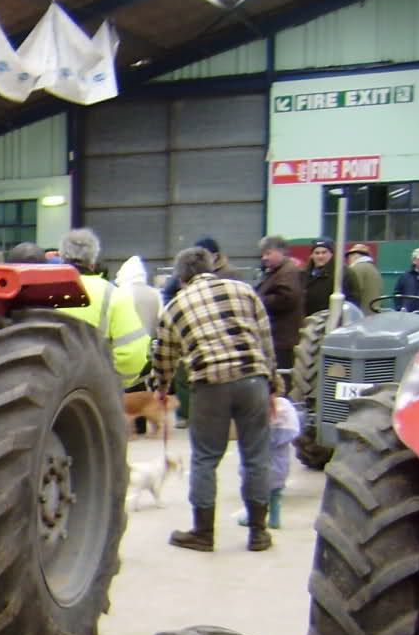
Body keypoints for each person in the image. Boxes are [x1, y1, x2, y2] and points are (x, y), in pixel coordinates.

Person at [151, 245, 280, 553]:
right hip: (253, 380)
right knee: (256, 456)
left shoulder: (175, 307)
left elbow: (164, 355)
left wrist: (161, 386)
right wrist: (273, 386)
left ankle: (203, 533)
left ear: (182, 278)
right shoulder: (244, 290)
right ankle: (259, 533)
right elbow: (265, 340)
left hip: (210, 385)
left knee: (205, 458)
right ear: (211, 266)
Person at [52, 227, 149, 386]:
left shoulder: (43, 291)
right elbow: (133, 353)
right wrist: (113, 385)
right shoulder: (115, 296)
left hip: (51, 390)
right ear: (93, 260)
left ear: (61, 256)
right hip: (94, 393)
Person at [238, 395, 301, 530]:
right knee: (276, 491)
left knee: (254, 481)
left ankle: (252, 517)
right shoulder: (286, 406)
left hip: (260, 464)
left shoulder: (258, 403)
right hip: (279, 466)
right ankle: (274, 518)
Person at [254, 235, 303, 370]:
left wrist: (259, 300)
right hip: (276, 337)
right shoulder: (276, 271)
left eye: (268, 253)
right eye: (263, 254)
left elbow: (287, 298)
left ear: (281, 251)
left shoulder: (288, 272)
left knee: (281, 375)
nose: (264, 258)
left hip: (283, 338)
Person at [301, 238, 359, 315]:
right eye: (317, 253)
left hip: (332, 320)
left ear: (331, 253)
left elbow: (352, 300)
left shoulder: (343, 273)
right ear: (312, 255)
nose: (320, 256)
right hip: (309, 321)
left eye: (324, 252)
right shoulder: (305, 274)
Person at [344, 243, 383, 308]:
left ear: (355, 256)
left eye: (349, 256)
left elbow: (354, 292)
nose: (348, 260)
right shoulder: (374, 269)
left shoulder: (356, 269)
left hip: (361, 313)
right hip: (373, 312)